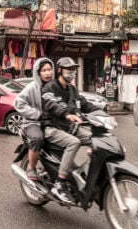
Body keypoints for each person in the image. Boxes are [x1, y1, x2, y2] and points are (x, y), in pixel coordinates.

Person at [41, 57, 99, 203]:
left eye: (73, 70)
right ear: (59, 70)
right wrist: (67, 114)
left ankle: (88, 177)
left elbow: (86, 105)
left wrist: (103, 113)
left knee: (97, 140)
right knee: (74, 143)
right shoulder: (49, 88)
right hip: (52, 128)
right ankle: (59, 184)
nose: (72, 73)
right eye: (69, 70)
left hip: (69, 128)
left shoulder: (73, 89)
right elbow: (52, 104)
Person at [13, 57, 55, 181]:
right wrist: (37, 114)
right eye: (44, 70)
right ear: (38, 72)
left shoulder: (54, 86)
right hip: (32, 123)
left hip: (51, 122)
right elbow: (18, 103)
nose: (48, 73)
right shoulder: (32, 87)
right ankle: (31, 167)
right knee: (38, 139)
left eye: (49, 69)